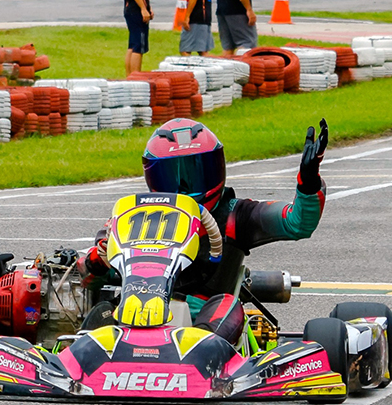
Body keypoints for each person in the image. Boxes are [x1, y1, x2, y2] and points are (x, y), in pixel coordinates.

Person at [80, 117, 328, 344]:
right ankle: (85, 357)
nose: (185, 185)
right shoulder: (136, 218)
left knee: (228, 305)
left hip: (206, 315)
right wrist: (96, 262)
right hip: (136, 311)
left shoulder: (235, 215)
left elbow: (297, 222)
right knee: (103, 308)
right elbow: (94, 277)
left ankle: (202, 359)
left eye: (195, 172)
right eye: (173, 176)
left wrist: (309, 182)